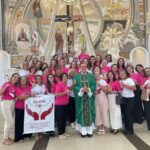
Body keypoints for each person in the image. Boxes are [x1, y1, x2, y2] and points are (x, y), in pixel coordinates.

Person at [73, 64, 96, 137]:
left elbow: (93, 85)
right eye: (82, 67)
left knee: (89, 114)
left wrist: (88, 89)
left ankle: (89, 131)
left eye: (85, 67)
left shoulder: (91, 76)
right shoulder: (76, 77)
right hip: (81, 99)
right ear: (80, 67)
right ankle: (83, 131)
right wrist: (81, 89)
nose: (83, 68)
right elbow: (74, 87)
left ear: (87, 68)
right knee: (82, 114)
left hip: (89, 98)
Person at [0, 73, 20, 145]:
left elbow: (13, 95)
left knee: (7, 121)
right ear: (11, 77)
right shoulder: (7, 83)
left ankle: (7, 137)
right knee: (10, 122)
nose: (16, 79)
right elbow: (0, 93)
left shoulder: (15, 86)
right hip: (5, 103)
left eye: (17, 78)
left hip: (12, 103)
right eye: (15, 77)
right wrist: (5, 87)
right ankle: (5, 139)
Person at [15, 76, 33, 142]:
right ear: (19, 81)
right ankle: (19, 137)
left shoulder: (29, 88)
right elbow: (20, 97)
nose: (23, 81)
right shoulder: (17, 88)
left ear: (26, 81)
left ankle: (27, 135)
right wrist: (29, 95)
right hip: (19, 107)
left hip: (27, 108)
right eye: (22, 80)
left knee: (27, 122)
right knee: (19, 123)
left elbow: (32, 95)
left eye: (24, 79)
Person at [119, 70, 136, 135]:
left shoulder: (129, 80)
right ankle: (127, 129)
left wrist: (124, 85)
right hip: (123, 99)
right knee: (124, 114)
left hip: (130, 99)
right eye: (120, 73)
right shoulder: (119, 81)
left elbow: (134, 88)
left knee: (128, 114)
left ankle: (131, 130)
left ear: (126, 74)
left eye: (123, 73)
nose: (122, 74)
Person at [55, 73, 70, 139]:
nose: (65, 78)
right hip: (59, 105)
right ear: (61, 78)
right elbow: (57, 94)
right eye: (63, 76)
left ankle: (63, 132)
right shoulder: (59, 84)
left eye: (66, 77)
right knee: (60, 119)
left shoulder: (65, 84)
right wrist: (65, 93)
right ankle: (60, 133)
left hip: (65, 104)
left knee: (64, 119)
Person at [94, 71, 109, 135]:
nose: (97, 76)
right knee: (98, 113)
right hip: (96, 98)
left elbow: (105, 90)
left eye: (98, 74)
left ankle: (103, 128)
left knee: (103, 112)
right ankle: (99, 127)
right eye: (96, 75)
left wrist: (99, 85)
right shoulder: (93, 81)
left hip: (102, 97)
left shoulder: (103, 81)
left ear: (100, 75)